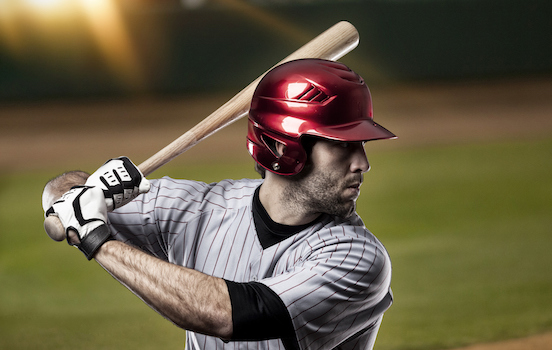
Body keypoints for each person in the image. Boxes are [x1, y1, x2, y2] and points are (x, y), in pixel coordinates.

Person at [43, 59, 396, 350]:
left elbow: (226, 313)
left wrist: (96, 239)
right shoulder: (195, 209)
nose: (363, 164)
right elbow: (58, 198)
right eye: (343, 145)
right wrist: (86, 190)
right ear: (282, 148)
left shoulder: (358, 259)